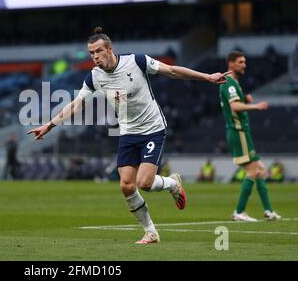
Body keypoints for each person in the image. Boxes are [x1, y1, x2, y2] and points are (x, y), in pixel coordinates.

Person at [28, 27, 228, 244]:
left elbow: (171, 70)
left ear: (109, 49)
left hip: (152, 128)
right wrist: (49, 125)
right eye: (91, 53)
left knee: (144, 182)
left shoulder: (137, 61)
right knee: (126, 185)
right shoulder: (94, 77)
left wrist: (207, 77)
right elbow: (77, 105)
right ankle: (151, 232)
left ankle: (172, 184)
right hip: (128, 132)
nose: (95, 57)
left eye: (98, 51)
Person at [219, 51, 281, 221]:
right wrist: (255, 106)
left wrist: (245, 100)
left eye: (244, 61)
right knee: (254, 170)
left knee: (260, 169)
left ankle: (268, 211)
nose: (244, 65)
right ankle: (238, 212)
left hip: (243, 133)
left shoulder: (234, 83)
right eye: (240, 62)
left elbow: (237, 103)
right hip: (238, 132)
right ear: (231, 64)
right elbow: (234, 107)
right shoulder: (229, 83)